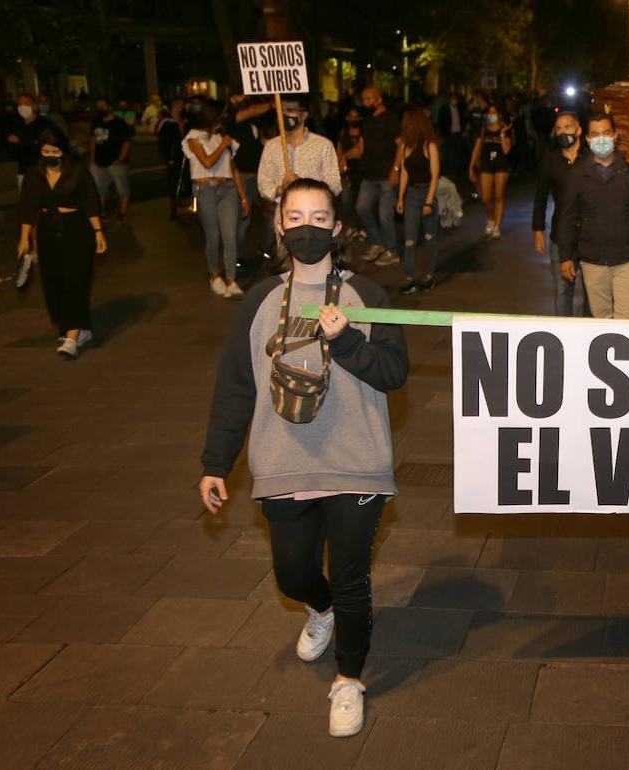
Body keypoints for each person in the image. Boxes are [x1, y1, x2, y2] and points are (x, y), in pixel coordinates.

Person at [199, 177, 410, 739]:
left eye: (320, 218)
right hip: (282, 461)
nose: (308, 228)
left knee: (350, 577)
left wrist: (347, 343)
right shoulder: (259, 302)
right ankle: (320, 611)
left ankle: (349, 679)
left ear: (337, 228)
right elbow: (236, 386)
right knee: (294, 575)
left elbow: (394, 373)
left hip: (356, 460)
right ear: (279, 226)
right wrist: (216, 461)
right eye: (296, 218)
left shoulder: (370, 296)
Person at [554, 112, 629, 320]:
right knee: (602, 321)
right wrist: (565, 256)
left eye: (606, 133)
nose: (601, 138)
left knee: (626, 319)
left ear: (615, 135)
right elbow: (567, 217)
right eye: (595, 134)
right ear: (588, 139)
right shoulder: (577, 174)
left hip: (628, 258)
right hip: (593, 260)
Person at [16, 130, 107, 359]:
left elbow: (90, 200)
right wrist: (24, 238)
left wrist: (98, 231)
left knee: (76, 279)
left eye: (54, 150)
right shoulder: (34, 173)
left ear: (63, 151)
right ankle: (76, 326)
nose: (50, 155)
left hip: (77, 228)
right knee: (53, 282)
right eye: (45, 151)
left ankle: (72, 336)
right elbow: (27, 205)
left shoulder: (77, 170)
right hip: (48, 229)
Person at [183, 102, 251, 298]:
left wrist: (244, 197)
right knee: (213, 236)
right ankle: (215, 276)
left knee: (229, 235)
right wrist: (222, 145)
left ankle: (231, 279)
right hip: (205, 190)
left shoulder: (224, 138)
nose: (221, 119)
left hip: (228, 189)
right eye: (218, 116)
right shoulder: (193, 137)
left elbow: (233, 168)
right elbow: (207, 161)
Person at [532, 111, 589, 316]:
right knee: (563, 291)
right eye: (558, 128)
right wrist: (538, 229)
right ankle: (564, 340)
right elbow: (541, 195)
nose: (562, 132)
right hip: (561, 235)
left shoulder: (591, 158)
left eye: (567, 127)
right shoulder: (551, 160)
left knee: (592, 293)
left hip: (590, 235)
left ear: (579, 130)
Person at [391, 105, 442, 291]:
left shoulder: (430, 146)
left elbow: (435, 175)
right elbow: (404, 173)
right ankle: (409, 277)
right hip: (412, 194)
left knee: (430, 237)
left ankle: (429, 275)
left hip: (427, 192)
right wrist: (401, 198)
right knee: (410, 240)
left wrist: (429, 200)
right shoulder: (405, 146)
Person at [257, 95, 342, 203]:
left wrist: (302, 186)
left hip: (314, 212)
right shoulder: (271, 146)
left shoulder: (323, 145)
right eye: (281, 110)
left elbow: (334, 185)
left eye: (290, 110)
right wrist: (280, 189)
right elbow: (263, 183)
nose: (284, 115)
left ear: (304, 115)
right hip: (283, 214)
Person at [354, 87, 403, 263]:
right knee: (362, 208)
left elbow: (401, 146)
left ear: (379, 99)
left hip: (387, 175)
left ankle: (392, 251)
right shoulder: (366, 121)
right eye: (363, 99)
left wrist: (396, 170)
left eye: (369, 99)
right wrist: (343, 156)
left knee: (385, 215)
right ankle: (377, 243)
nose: (365, 103)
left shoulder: (391, 119)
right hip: (369, 175)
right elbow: (361, 148)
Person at [226, 95, 271, 252]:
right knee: (243, 220)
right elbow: (251, 110)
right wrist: (273, 102)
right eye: (239, 96)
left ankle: (266, 249)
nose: (243, 99)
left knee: (271, 212)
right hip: (242, 177)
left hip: (259, 175)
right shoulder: (231, 119)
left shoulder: (255, 123)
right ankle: (236, 258)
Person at [469, 104, 513, 239]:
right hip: (486, 164)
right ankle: (492, 218)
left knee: (499, 196)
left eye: (494, 112)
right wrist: (471, 167)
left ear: (499, 114)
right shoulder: (483, 129)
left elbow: (506, 150)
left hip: (501, 165)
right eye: (489, 112)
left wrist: (502, 133)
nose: (491, 115)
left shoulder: (505, 129)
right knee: (485, 197)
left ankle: (497, 226)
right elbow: (477, 148)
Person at [88, 98, 134, 222]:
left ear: (109, 107)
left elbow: (127, 142)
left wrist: (120, 159)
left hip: (116, 162)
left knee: (121, 188)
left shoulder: (119, 123)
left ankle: (122, 212)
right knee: (98, 188)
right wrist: (92, 159)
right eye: (98, 107)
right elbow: (93, 140)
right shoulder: (96, 122)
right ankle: (101, 212)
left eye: (103, 106)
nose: (100, 109)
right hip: (99, 162)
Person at [8, 93, 65, 192]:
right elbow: (14, 152)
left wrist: (24, 142)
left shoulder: (45, 125)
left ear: (34, 106)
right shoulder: (17, 126)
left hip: (43, 171)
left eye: (26, 104)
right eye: (19, 104)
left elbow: (54, 145)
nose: (22, 107)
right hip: (24, 171)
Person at [336, 106, 367, 239]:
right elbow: (339, 151)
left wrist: (346, 156)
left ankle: (363, 228)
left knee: (362, 205)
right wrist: (340, 164)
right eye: (350, 116)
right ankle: (353, 227)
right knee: (347, 203)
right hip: (347, 174)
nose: (353, 119)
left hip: (363, 173)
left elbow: (361, 152)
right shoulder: (343, 133)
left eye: (356, 116)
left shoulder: (365, 133)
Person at [157, 98, 188, 220]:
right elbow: (163, 142)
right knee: (174, 182)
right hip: (174, 158)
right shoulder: (166, 123)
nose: (182, 107)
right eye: (180, 105)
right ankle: (174, 209)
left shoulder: (185, 121)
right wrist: (168, 157)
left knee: (186, 181)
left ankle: (187, 206)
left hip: (186, 156)